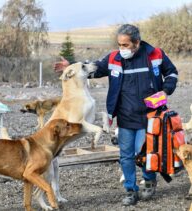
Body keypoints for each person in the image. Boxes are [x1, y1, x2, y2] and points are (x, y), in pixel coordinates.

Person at [54, 24, 178, 206]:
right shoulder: (114, 58)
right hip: (125, 117)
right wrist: (71, 64)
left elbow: (172, 73)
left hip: (151, 116)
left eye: (125, 45)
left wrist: (166, 91)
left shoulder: (155, 55)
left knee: (144, 152)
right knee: (126, 156)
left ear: (137, 42)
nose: (122, 48)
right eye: (119, 44)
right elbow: (94, 68)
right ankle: (130, 190)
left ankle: (149, 180)